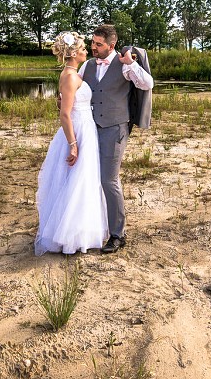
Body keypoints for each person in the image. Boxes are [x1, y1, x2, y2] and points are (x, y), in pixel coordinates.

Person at [80, 23, 153, 254]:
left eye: (98, 44)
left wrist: (131, 63)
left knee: (108, 180)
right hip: (91, 129)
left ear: (111, 45)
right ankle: (94, 226)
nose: (93, 47)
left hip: (115, 129)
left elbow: (147, 84)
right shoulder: (87, 66)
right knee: (89, 178)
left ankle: (118, 235)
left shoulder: (123, 66)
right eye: (92, 43)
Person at [34, 31, 109, 256]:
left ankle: (80, 232)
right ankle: (69, 236)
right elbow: (65, 114)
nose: (87, 51)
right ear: (74, 53)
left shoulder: (74, 74)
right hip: (77, 131)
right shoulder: (69, 76)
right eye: (84, 48)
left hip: (86, 127)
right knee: (76, 182)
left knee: (83, 181)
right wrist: (73, 144)